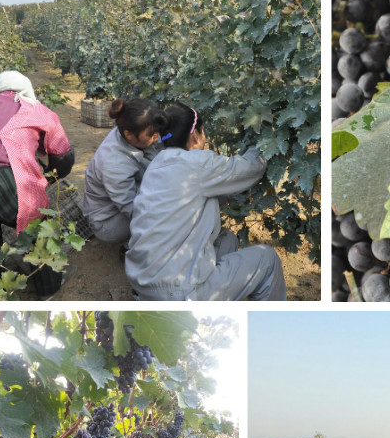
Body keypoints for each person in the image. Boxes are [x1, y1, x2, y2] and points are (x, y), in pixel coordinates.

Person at [126, 102, 286, 301]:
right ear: (195, 134)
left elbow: (203, 194)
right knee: (267, 259)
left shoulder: (156, 165)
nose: (206, 138)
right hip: (176, 291)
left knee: (227, 240)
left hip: (143, 282)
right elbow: (251, 168)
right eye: (204, 133)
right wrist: (263, 141)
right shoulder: (198, 164)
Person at [0, 71, 75, 297]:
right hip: (9, 182)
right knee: (39, 232)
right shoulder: (36, 109)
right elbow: (63, 154)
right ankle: (48, 287)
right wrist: (50, 177)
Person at [83, 98, 167, 245]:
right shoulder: (113, 164)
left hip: (123, 200)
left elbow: (165, 139)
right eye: (152, 135)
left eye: (157, 133)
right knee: (163, 206)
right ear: (128, 134)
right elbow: (133, 210)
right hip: (108, 221)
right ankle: (130, 246)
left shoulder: (135, 131)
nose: (157, 138)